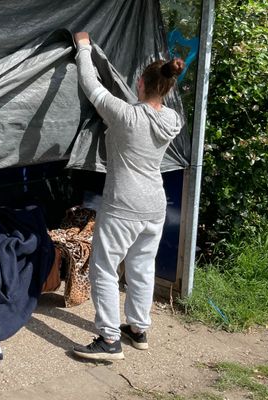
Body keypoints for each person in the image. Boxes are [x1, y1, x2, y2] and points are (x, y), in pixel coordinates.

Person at [71, 31, 184, 360]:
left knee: (104, 269)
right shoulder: (173, 119)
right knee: (141, 267)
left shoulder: (125, 116)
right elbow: (158, 105)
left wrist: (83, 48)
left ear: (139, 84)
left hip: (123, 205)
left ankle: (109, 341)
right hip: (155, 206)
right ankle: (138, 329)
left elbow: (91, 84)